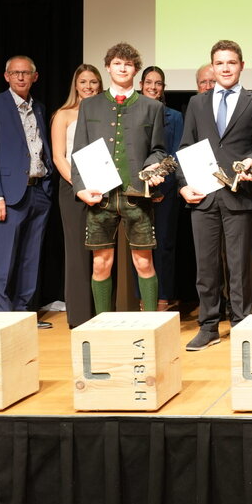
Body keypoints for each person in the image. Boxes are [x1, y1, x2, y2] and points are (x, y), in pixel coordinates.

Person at [177, 40, 252, 350]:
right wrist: (182, 184)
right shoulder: (196, 104)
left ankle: (242, 322)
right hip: (203, 195)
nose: (226, 68)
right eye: (220, 63)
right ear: (212, 67)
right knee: (206, 265)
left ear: (241, 66)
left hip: (238, 194)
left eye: (231, 62)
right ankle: (209, 325)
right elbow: (185, 147)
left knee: (240, 264)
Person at [72, 42, 167, 314]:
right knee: (101, 263)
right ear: (108, 67)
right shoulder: (90, 106)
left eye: (127, 63)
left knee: (144, 262)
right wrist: (80, 189)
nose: (122, 67)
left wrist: (152, 167)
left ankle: (150, 323)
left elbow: (158, 150)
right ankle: (103, 323)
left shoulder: (152, 107)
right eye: (117, 63)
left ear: (135, 69)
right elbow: (78, 151)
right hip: (99, 196)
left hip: (137, 195)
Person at [0, 55, 56, 327]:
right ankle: (2, 316)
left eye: (26, 73)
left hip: (38, 192)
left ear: (35, 77)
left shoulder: (40, 108)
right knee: (4, 258)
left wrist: (47, 184)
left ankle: (23, 315)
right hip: (8, 196)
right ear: (6, 76)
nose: (20, 77)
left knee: (30, 258)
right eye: (15, 73)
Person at [50, 64, 102, 328]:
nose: (89, 86)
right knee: (78, 253)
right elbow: (59, 156)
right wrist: (80, 185)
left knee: (103, 254)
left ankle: (104, 312)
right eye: (83, 82)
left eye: (93, 82)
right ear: (75, 85)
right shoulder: (64, 114)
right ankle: (80, 317)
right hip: (73, 189)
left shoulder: (105, 113)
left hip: (104, 188)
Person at [139, 66, 184, 311]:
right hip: (135, 191)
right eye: (149, 82)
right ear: (141, 84)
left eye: (158, 83)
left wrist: (160, 189)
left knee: (164, 244)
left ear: (163, 88)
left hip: (165, 191)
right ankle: (143, 298)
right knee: (140, 247)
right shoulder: (130, 113)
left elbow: (176, 154)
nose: (153, 87)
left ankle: (163, 297)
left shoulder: (174, 117)